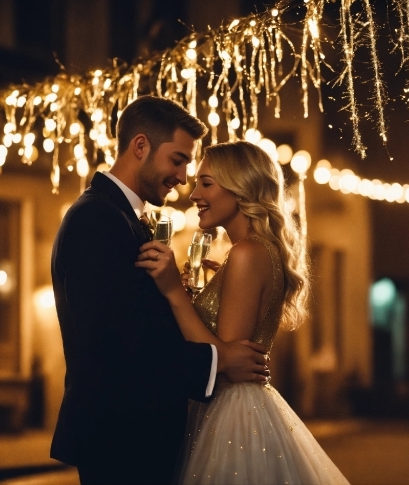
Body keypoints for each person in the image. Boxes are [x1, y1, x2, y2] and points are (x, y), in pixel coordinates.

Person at [50, 96, 270, 485]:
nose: (183, 178)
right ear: (140, 146)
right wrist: (217, 362)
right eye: (178, 160)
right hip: (121, 437)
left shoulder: (121, 216)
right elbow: (119, 343)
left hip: (138, 435)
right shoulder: (98, 219)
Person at [136, 140, 351, 484]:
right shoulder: (252, 251)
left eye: (206, 183)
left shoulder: (247, 253)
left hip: (231, 412)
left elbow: (225, 360)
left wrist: (174, 291)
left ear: (241, 188)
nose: (193, 195)